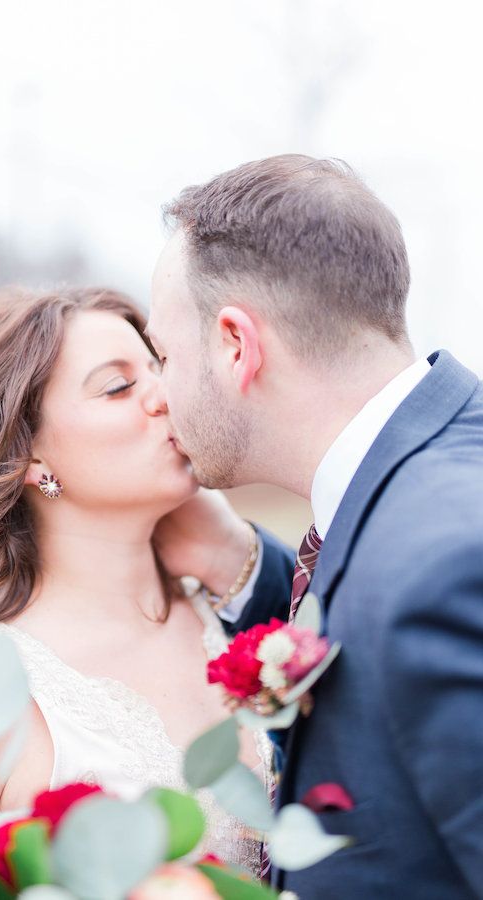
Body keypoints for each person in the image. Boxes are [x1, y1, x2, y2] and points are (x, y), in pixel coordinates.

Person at [149, 154, 483, 898]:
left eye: (164, 356)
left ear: (237, 344)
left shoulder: (443, 563)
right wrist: (243, 565)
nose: (158, 394)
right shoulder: (416, 494)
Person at [0, 286, 288, 875]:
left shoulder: (238, 609)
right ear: (28, 459)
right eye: (119, 386)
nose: (165, 395)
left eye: (160, 367)